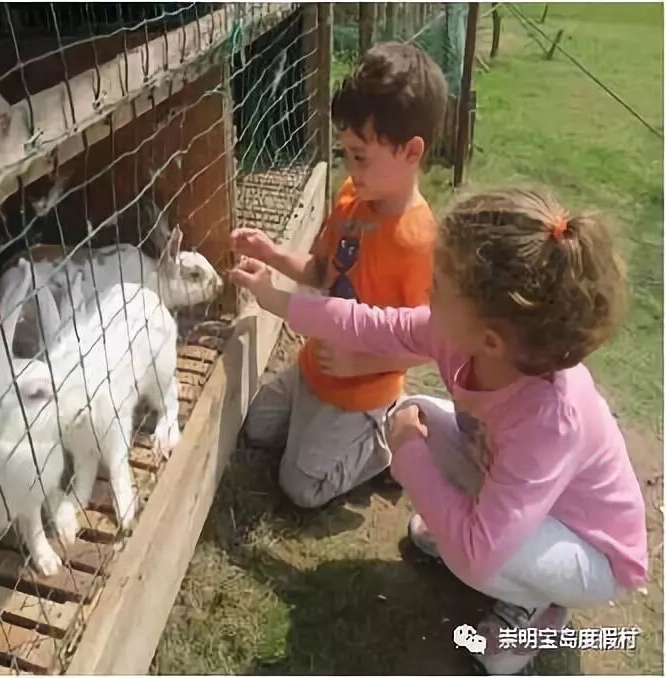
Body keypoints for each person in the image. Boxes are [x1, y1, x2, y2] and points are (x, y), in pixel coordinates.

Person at [229, 189, 648, 674]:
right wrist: (276, 299)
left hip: (593, 552)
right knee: (419, 413)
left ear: (490, 339)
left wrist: (407, 453)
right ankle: (482, 537)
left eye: (439, 286)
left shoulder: (551, 417)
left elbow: (476, 555)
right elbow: (369, 324)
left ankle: (537, 609)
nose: (427, 291)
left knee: (472, 553)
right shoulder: (464, 338)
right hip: (524, 494)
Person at [230, 42, 447, 508]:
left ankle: (388, 436)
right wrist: (271, 254)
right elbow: (320, 271)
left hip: (362, 389)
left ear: (411, 151)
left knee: (301, 488)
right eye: (345, 153)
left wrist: (361, 364)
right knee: (258, 427)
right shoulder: (351, 196)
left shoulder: (418, 241)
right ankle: (320, 430)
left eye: (360, 156)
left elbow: (428, 341)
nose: (350, 167)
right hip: (316, 367)